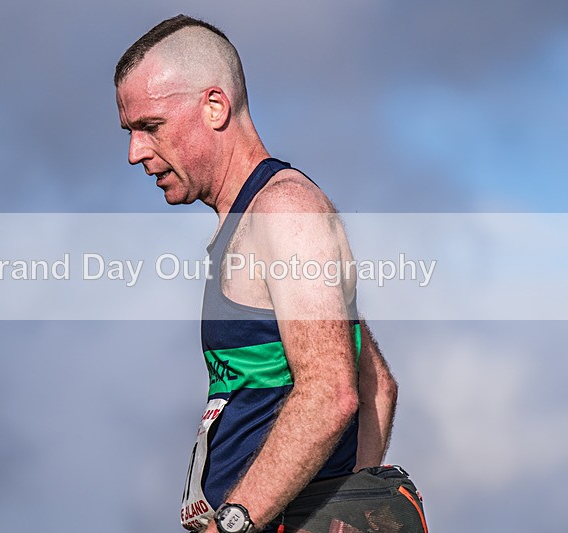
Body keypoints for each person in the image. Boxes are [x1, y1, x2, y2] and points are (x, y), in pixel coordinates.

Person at [115, 15, 425, 533]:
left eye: (151, 127)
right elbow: (375, 382)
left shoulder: (284, 213)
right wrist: (346, 500)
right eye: (130, 132)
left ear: (215, 106)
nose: (135, 153)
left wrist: (236, 523)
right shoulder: (250, 220)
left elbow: (330, 393)